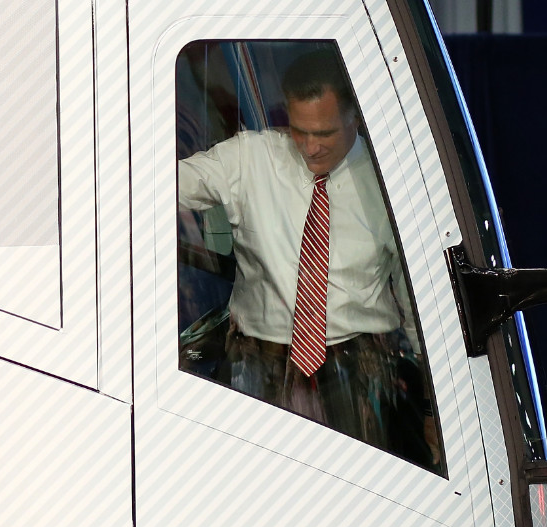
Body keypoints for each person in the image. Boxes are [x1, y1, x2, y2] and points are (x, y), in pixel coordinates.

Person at [177, 47, 436, 471]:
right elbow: (157, 183)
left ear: (356, 116)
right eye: (300, 131)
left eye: (326, 133)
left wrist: (432, 404)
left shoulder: (393, 180)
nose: (311, 148)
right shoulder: (250, 159)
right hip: (254, 368)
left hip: (362, 372)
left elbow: (416, 303)